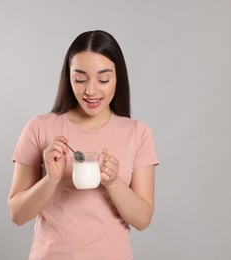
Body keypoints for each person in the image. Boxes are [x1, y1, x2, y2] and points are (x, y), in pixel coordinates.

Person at [8, 30, 159, 260]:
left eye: (103, 79)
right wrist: (50, 180)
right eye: (80, 79)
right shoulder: (39, 128)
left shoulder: (138, 133)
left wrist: (113, 182)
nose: (91, 90)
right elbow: (17, 215)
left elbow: (143, 220)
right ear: (68, 77)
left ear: (118, 78)